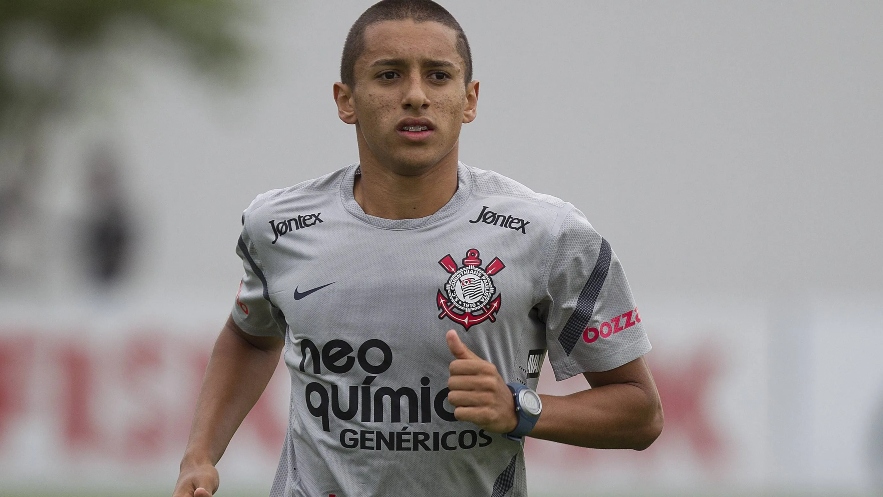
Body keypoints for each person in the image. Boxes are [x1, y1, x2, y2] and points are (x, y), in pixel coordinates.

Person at [172, 1, 663, 496]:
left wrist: (519, 410)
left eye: (438, 76)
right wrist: (200, 454)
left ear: (469, 99)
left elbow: (640, 412)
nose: (415, 96)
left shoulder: (548, 233)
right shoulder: (277, 226)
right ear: (346, 100)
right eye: (388, 76)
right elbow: (252, 337)